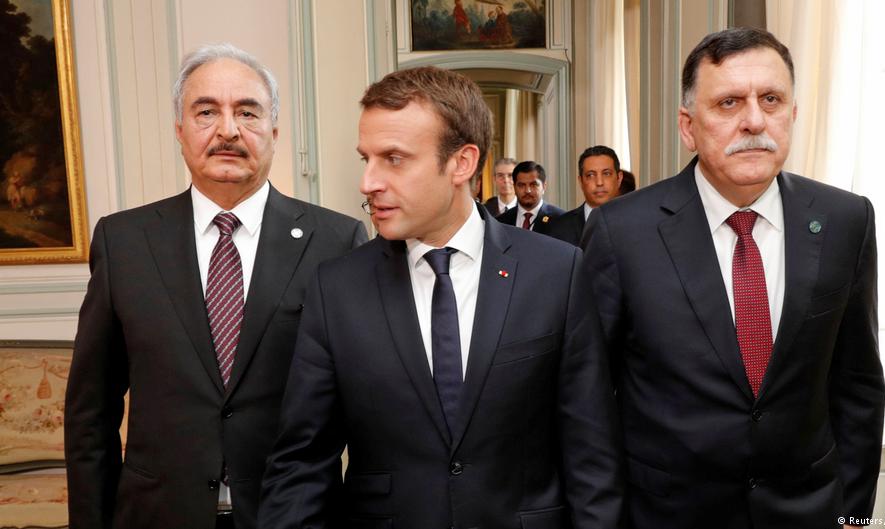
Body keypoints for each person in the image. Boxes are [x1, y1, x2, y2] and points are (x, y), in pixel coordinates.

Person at [260, 66, 622, 529]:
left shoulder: (557, 271)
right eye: (365, 159)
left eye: (394, 158)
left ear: (462, 163)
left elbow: (591, 456)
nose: (368, 182)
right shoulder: (337, 288)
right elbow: (301, 464)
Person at [582, 27, 885, 529]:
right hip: (666, 514)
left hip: (808, 511)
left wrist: (851, 518)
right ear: (688, 126)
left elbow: (858, 384)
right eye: (728, 103)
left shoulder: (845, 220)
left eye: (771, 99)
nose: (753, 120)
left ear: (793, 113)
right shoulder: (622, 233)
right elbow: (590, 402)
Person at [64, 43, 367, 529]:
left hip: (292, 515)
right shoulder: (123, 242)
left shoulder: (336, 241)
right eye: (206, 111)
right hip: (157, 514)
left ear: (274, 130)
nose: (228, 129)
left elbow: (365, 407)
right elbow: (89, 412)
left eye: (247, 111)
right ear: (179, 130)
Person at [547, 145, 624, 246]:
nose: (599, 182)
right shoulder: (558, 227)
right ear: (581, 181)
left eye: (606, 174)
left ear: (619, 178)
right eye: (591, 175)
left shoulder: (637, 224)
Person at [496, 160, 564, 234]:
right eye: (521, 185)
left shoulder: (560, 219)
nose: (527, 190)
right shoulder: (501, 222)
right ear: (514, 187)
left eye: (533, 185)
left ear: (544, 187)